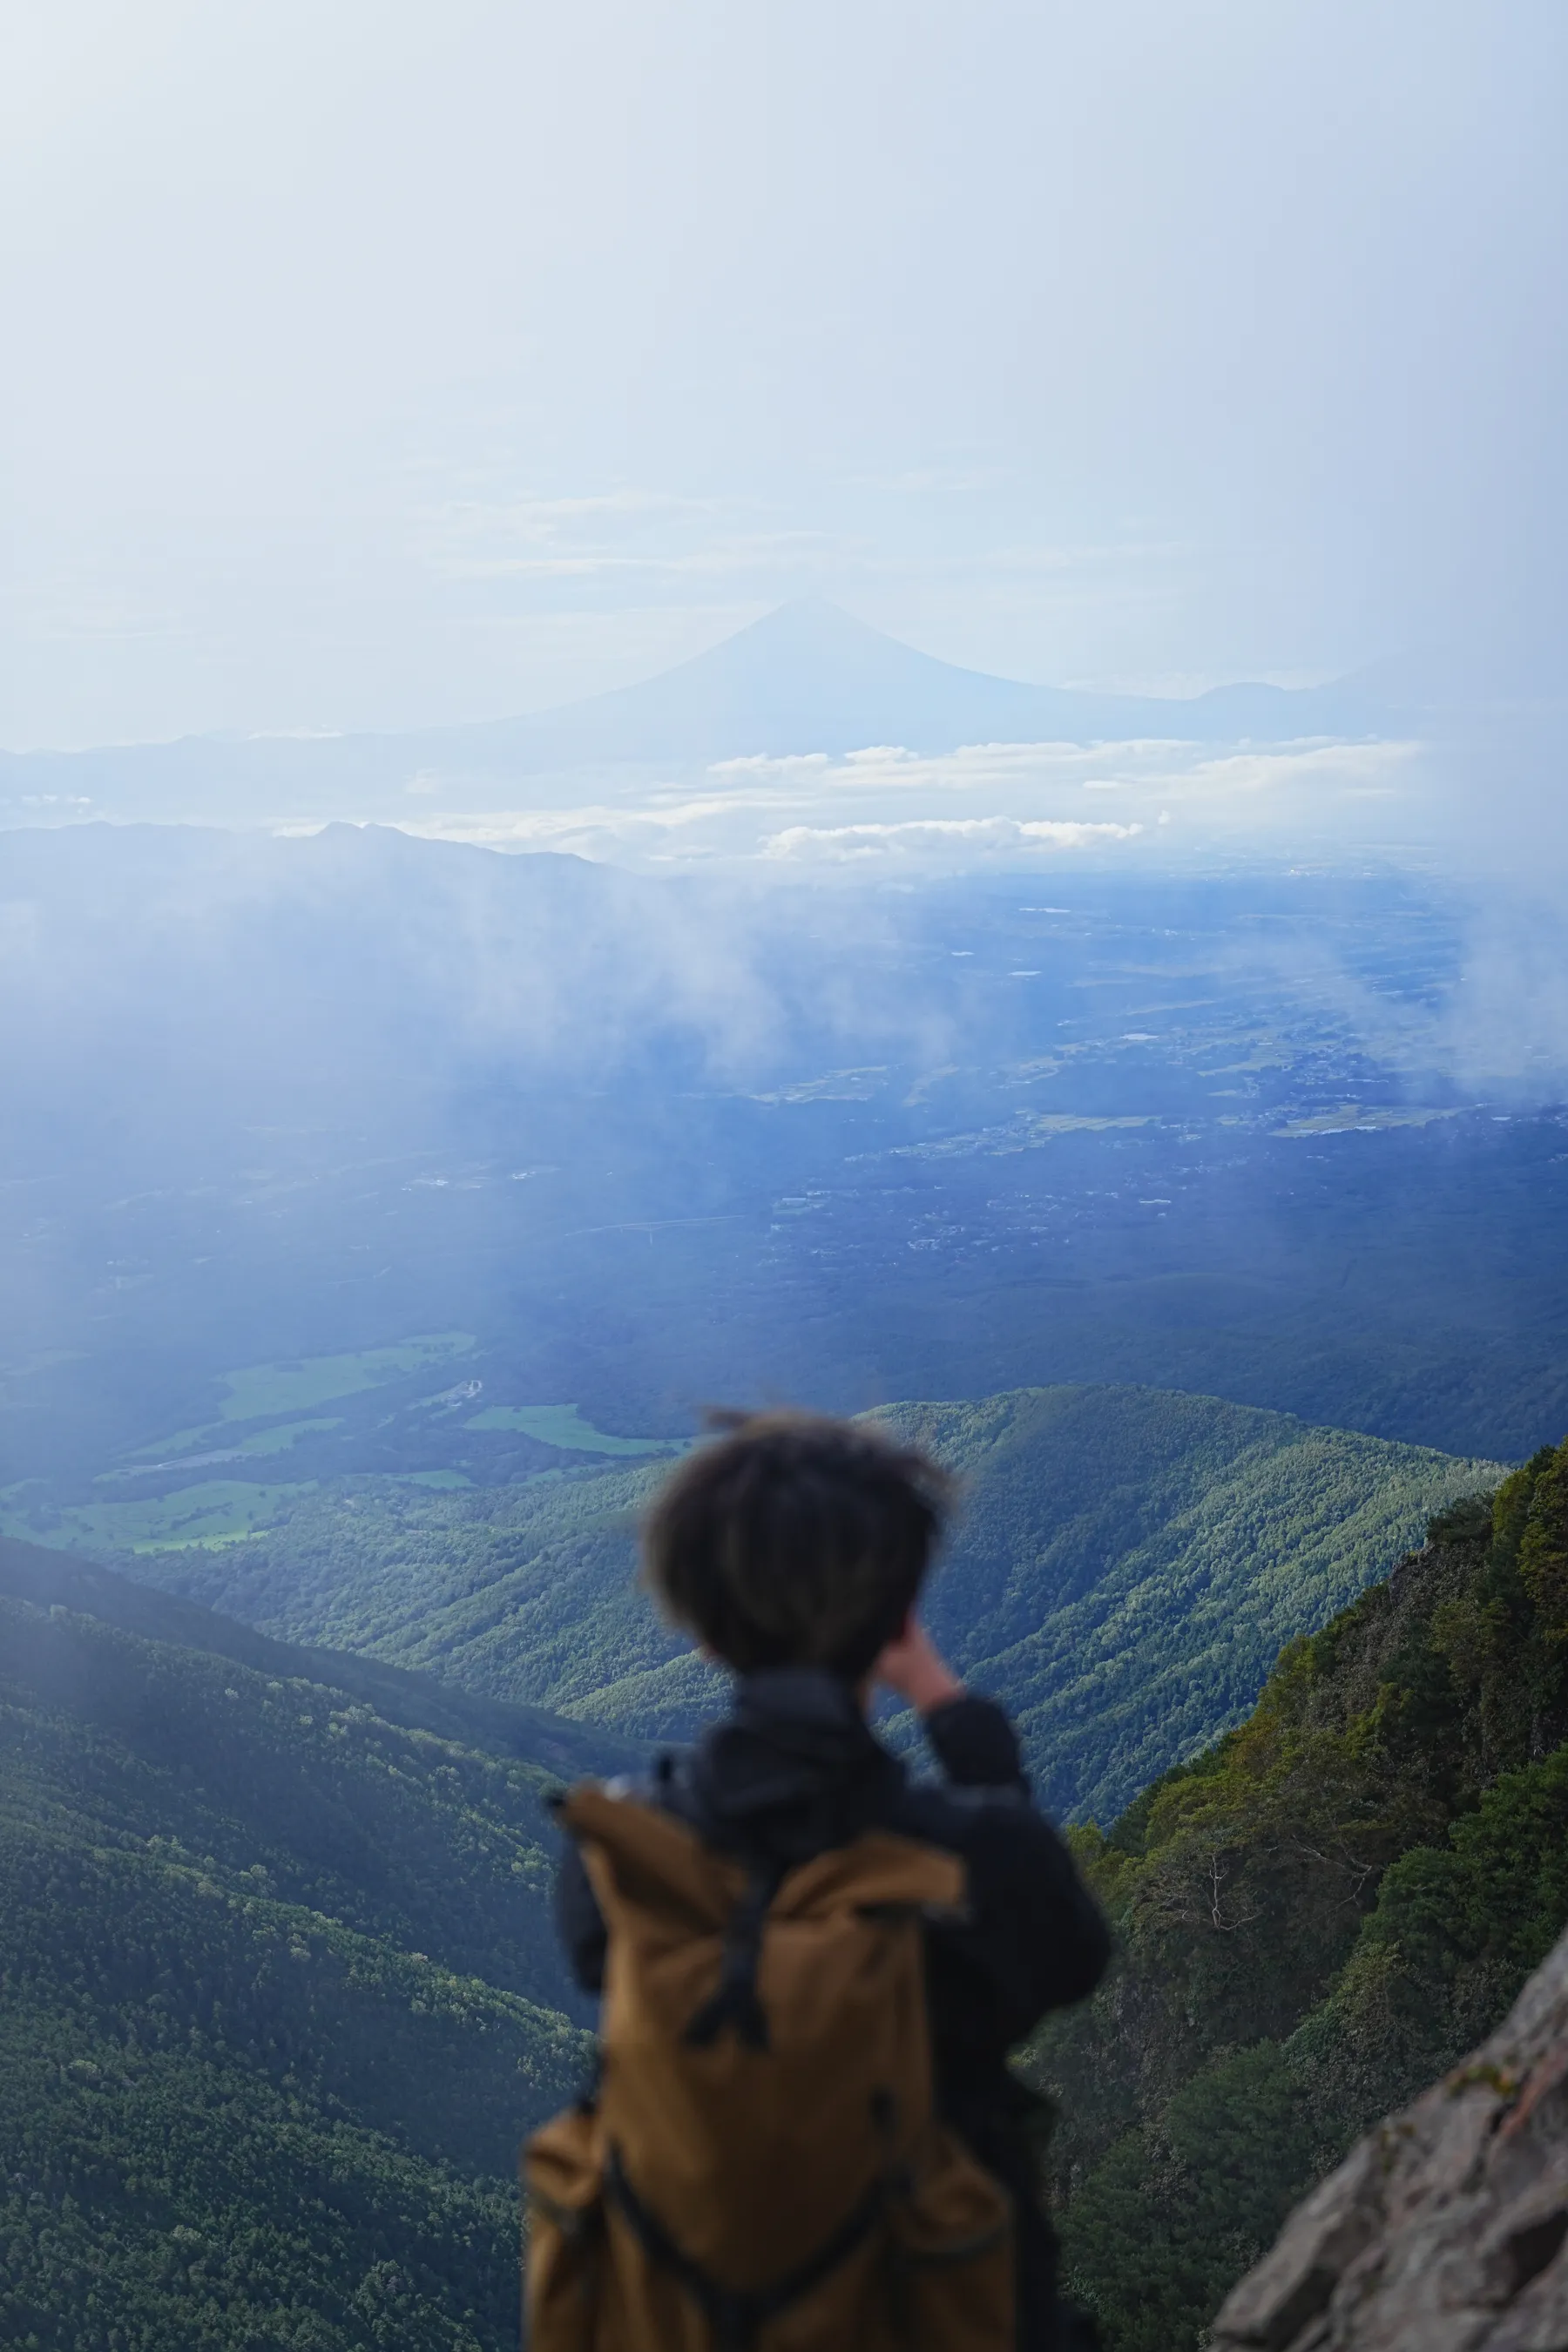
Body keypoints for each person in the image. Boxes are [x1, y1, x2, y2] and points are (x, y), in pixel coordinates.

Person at [550, 1409, 1111, 2351]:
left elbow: (596, 1965)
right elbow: (1064, 1954)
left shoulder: (614, 1851)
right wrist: (948, 1705)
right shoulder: (963, 1859)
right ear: (896, 1615)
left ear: (706, 1637)